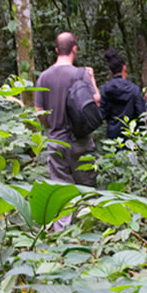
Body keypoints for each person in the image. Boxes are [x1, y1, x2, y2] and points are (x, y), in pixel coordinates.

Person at [34, 32, 100, 197]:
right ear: (75, 49)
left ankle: (64, 223)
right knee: (88, 195)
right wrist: (92, 79)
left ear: (56, 50)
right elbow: (95, 103)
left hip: (56, 143)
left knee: (63, 198)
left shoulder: (43, 77)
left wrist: (51, 124)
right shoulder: (80, 74)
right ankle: (85, 222)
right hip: (80, 144)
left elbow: (38, 112)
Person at [100, 48, 147, 141]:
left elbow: (102, 114)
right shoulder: (134, 89)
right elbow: (141, 114)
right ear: (124, 67)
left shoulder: (106, 89)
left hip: (113, 138)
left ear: (111, 71)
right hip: (132, 137)